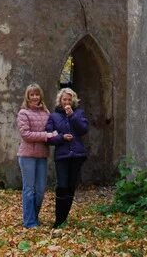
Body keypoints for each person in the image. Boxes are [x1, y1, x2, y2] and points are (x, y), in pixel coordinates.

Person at [46, 87, 89, 228]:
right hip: (62, 156)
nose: (67, 102)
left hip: (77, 155)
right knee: (62, 186)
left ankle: (63, 219)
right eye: (64, 99)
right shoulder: (53, 116)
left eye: (69, 99)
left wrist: (72, 116)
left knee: (71, 187)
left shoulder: (79, 113)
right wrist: (62, 137)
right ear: (60, 100)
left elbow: (83, 129)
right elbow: (49, 137)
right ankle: (58, 220)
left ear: (73, 101)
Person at [16, 83, 56, 228]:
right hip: (27, 155)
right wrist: (46, 135)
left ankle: (34, 217)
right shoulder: (23, 113)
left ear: (40, 96)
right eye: (31, 94)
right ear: (27, 96)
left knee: (40, 190)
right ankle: (30, 221)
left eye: (36, 94)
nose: (34, 97)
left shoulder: (46, 113)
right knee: (29, 189)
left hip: (42, 154)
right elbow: (26, 134)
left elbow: (53, 130)